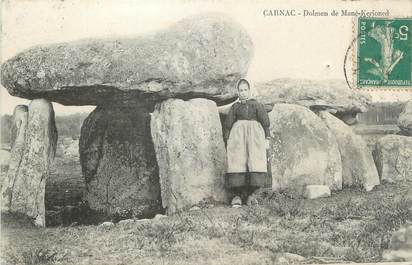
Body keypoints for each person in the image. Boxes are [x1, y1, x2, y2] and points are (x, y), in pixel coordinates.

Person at [224, 78, 271, 207]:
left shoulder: (257, 105)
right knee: (238, 161)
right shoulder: (235, 107)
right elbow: (228, 124)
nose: (243, 92)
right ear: (237, 92)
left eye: (245, 90)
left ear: (249, 90)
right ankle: (237, 196)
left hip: (254, 139)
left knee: (255, 161)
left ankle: (252, 196)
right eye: (241, 90)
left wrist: (267, 138)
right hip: (238, 138)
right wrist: (228, 140)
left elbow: (265, 122)